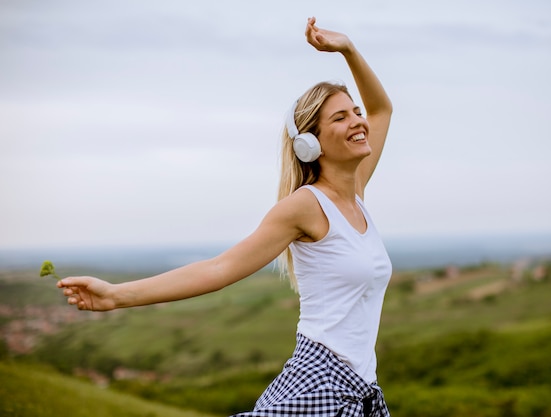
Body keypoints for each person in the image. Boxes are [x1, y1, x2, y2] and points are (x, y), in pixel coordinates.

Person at [57, 17, 393, 417]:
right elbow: (219, 268)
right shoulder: (305, 206)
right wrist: (114, 295)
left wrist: (349, 50)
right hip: (320, 381)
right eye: (340, 117)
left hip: (362, 388)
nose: (358, 122)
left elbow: (382, 108)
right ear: (309, 144)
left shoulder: (355, 195)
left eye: (355, 113)